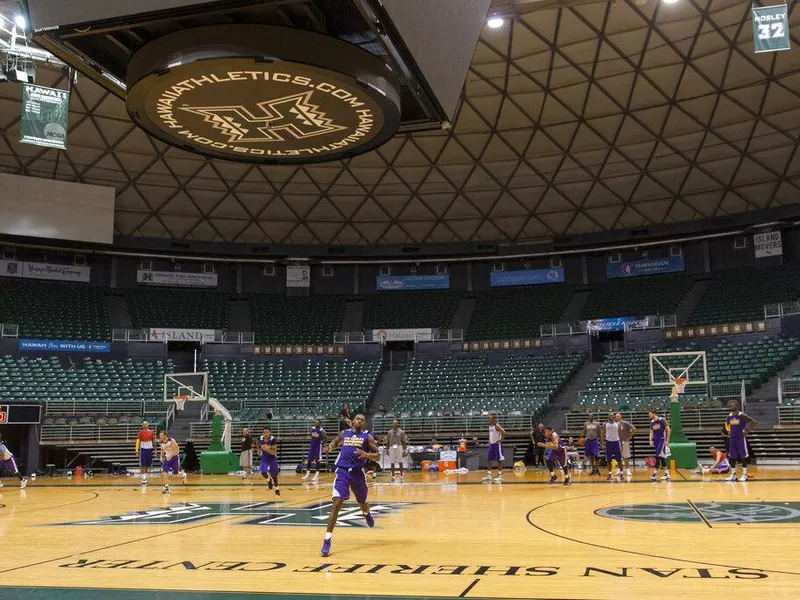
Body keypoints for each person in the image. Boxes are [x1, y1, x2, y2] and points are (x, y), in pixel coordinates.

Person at [320, 414, 379, 557]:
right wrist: (329, 448)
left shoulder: (367, 437)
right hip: (342, 471)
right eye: (358, 418)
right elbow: (334, 443)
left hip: (358, 473)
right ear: (352, 421)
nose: (360, 420)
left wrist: (366, 454)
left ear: (364, 424)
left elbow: (377, 455)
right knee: (336, 503)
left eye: (362, 420)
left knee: (363, 502)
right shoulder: (344, 433)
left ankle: (366, 514)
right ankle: (327, 539)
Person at [725, 402, 757, 482]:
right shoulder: (729, 416)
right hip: (732, 439)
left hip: (740, 438)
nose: (732, 406)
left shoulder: (741, 415)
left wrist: (746, 431)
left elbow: (754, 422)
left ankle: (745, 475)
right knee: (731, 456)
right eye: (731, 405)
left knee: (743, 456)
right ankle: (733, 475)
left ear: (737, 406)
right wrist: (728, 431)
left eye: (733, 405)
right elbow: (727, 424)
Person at [648, 410, 671, 482]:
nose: (649, 416)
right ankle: (667, 474)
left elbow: (668, 429)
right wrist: (650, 440)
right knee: (661, 457)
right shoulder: (652, 422)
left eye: (650, 414)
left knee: (657, 456)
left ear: (654, 414)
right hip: (656, 441)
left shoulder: (662, 420)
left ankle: (654, 474)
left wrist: (667, 440)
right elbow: (651, 431)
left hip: (662, 440)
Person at [483, 414, 506, 483]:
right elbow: (491, 435)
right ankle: (489, 475)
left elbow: (504, 433)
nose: (489, 419)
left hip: (497, 445)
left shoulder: (497, 425)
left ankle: (499, 475)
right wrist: (489, 440)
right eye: (489, 418)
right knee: (489, 459)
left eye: (490, 418)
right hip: (491, 444)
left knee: (499, 459)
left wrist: (501, 440)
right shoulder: (490, 426)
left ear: (494, 419)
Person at [601, 413, 623, 482]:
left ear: (614, 417)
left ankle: (621, 473)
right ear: (607, 417)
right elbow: (602, 434)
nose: (610, 417)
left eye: (612, 416)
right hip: (608, 442)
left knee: (619, 459)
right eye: (609, 416)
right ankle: (610, 474)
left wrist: (621, 444)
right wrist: (602, 444)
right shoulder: (605, 424)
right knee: (609, 459)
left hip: (616, 442)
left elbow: (620, 434)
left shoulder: (618, 424)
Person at [259, 426, 281, 496]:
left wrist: (268, 449)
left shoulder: (273, 439)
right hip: (264, 457)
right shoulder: (261, 438)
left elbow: (274, 452)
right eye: (264, 432)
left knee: (274, 475)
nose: (266, 434)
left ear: (270, 432)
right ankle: (268, 480)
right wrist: (259, 451)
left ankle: (277, 488)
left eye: (267, 432)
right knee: (263, 471)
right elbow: (258, 446)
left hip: (272, 457)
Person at [615, 413, 637, 479]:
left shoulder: (625, 423)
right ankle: (619, 470)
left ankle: (628, 470)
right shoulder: (615, 424)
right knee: (618, 457)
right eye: (616, 416)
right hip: (617, 442)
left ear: (621, 416)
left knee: (626, 456)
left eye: (618, 416)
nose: (617, 417)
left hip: (625, 441)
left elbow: (634, 429)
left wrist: (630, 436)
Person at [135, 420, 154, 485]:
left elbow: (153, 440)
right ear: (142, 425)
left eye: (146, 424)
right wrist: (136, 451)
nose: (145, 425)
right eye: (143, 424)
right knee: (143, 464)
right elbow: (137, 441)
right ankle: (143, 478)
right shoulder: (140, 432)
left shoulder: (151, 432)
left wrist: (155, 449)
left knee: (147, 464)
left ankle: (145, 478)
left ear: (148, 425)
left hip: (150, 449)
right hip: (143, 448)